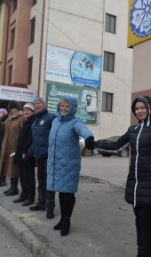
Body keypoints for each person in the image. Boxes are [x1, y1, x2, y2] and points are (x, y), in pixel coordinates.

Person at [96, 96, 151, 256]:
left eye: (142, 107)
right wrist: (95, 143)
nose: (139, 111)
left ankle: (145, 253)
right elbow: (117, 146)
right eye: (137, 108)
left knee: (146, 221)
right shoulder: (133, 130)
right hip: (135, 183)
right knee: (139, 220)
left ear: (149, 108)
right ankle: (142, 252)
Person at [48, 96, 95, 236]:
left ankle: (66, 221)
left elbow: (83, 130)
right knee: (61, 193)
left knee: (67, 194)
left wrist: (89, 138)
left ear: (72, 108)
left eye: (66, 106)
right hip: (55, 163)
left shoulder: (75, 122)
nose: (63, 109)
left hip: (69, 164)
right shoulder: (55, 121)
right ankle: (62, 220)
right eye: (62, 106)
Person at [28, 97, 56, 219]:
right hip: (39, 155)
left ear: (43, 105)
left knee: (49, 182)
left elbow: (55, 135)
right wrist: (30, 151)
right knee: (41, 181)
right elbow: (35, 140)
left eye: (39, 103)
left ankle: (50, 207)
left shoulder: (51, 117)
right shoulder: (35, 121)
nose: (37, 105)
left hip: (48, 156)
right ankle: (41, 203)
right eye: (35, 104)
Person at [0, 101, 24, 196]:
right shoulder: (8, 119)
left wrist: (19, 148)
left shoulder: (21, 118)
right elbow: (2, 128)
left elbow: (23, 134)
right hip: (6, 147)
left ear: (18, 109)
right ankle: (12, 187)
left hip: (14, 148)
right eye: (12, 108)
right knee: (8, 168)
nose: (13, 110)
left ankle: (14, 188)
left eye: (15, 108)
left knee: (14, 169)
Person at [13, 103, 36, 206]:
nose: (26, 112)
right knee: (22, 176)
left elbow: (30, 139)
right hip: (20, 153)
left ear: (32, 111)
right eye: (24, 110)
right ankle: (23, 194)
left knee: (29, 177)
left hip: (27, 154)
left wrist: (26, 152)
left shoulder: (33, 122)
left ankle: (30, 197)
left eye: (28, 110)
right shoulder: (25, 121)